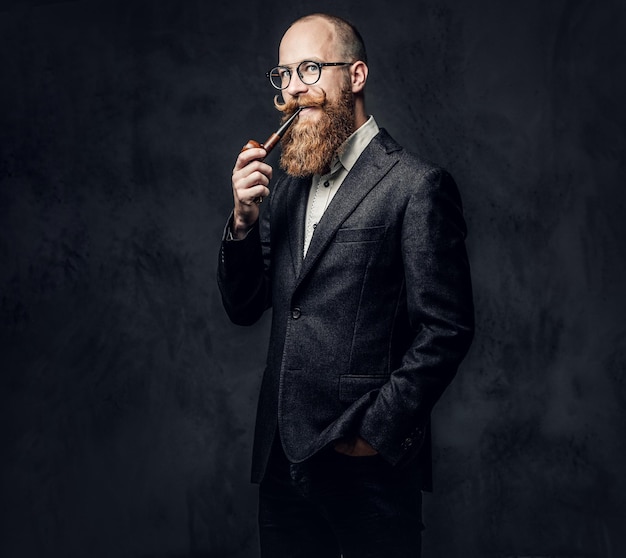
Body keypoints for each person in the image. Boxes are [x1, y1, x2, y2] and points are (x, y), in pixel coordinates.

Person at [217, 12, 474, 558]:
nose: (293, 90)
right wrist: (242, 221)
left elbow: (446, 329)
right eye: (283, 75)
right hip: (282, 465)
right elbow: (245, 308)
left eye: (309, 68)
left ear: (355, 76)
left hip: (368, 473)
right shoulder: (284, 189)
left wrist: (375, 435)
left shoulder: (415, 186)